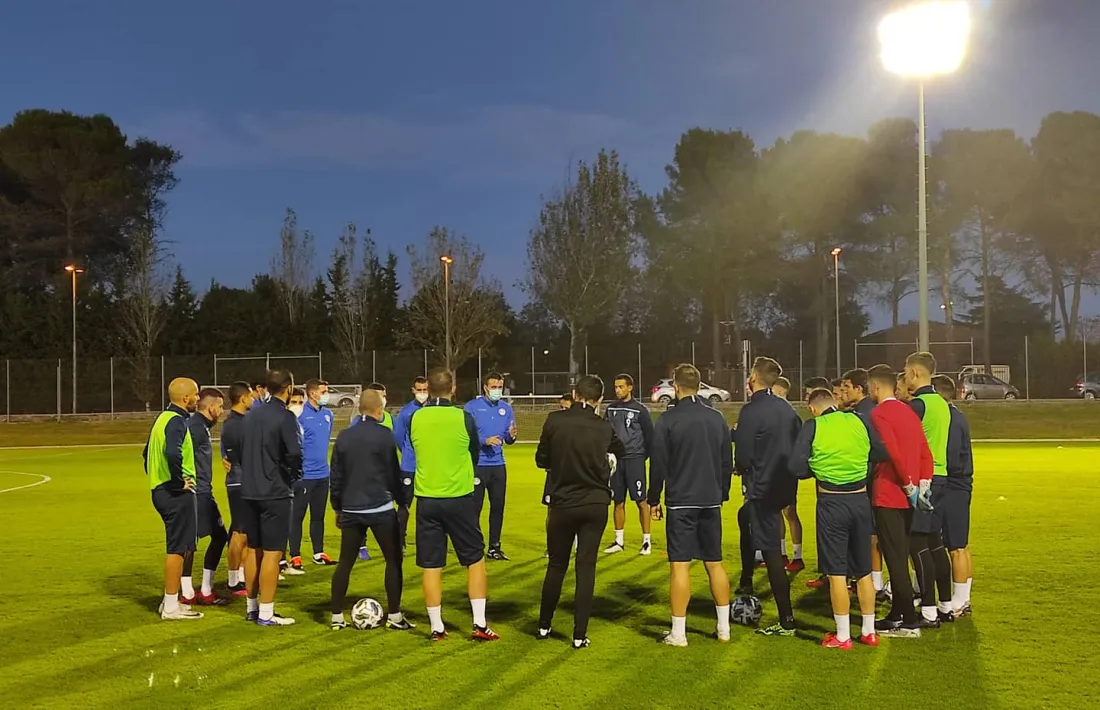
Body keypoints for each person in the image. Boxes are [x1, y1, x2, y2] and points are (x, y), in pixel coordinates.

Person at [789, 388, 885, 649]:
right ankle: (869, 631)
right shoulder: (859, 419)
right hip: (860, 500)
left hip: (831, 502)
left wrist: (819, 467)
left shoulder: (813, 426)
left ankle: (843, 636)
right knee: (863, 569)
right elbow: (881, 452)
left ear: (813, 408)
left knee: (837, 572)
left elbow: (795, 467)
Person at [535, 376, 624, 648]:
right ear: (599, 400)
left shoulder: (555, 420)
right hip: (595, 503)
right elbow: (620, 450)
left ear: (574, 394)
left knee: (557, 565)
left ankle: (544, 626)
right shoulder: (603, 427)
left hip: (563, 502)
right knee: (586, 567)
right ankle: (578, 634)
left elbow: (541, 459)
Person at [411, 368, 499, 642]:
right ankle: (479, 624)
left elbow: (414, 449)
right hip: (459, 499)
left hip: (427, 498)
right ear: (453, 388)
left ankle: (437, 627)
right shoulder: (464, 417)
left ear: (428, 389)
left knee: (431, 565)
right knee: (474, 560)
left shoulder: (416, 417)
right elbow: (473, 454)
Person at [648, 364, 733, 647]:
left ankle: (679, 633)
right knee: (715, 563)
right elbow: (726, 461)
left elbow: (658, 464)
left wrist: (653, 498)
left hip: (680, 502)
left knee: (680, 566)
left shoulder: (668, 419)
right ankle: (724, 629)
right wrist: (722, 492)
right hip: (710, 501)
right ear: (699, 384)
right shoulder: (716, 417)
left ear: (675, 385)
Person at [329, 389, 414, 631]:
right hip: (380, 508)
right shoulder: (384, 435)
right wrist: (402, 502)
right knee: (393, 560)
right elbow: (392, 473)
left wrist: (337, 507)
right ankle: (395, 617)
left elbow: (336, 475)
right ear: (380, 410)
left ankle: (336, 617)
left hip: (352, 508)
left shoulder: (344, 436)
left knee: (345, 562)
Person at [734, 357, 801, 637]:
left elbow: (744, 456)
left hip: (762, 487)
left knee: (772, 553)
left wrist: (740, 467)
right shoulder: (787, 409)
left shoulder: (752, 410)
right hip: (785, 485)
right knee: (745, 520)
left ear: (754, 378)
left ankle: (786, 620)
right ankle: (746, 580)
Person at [865, 365, 930, 636]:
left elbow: (892, 452)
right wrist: (923, 485)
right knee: (900, 553)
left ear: (876, 387)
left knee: (895, 558)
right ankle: (896, 615)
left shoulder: (878, 414)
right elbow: (925, 451)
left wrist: (907, 484)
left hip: (890, 493)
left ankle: (910, 622)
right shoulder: (908, 409)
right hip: (909, 495)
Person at [241, 369, 303, 627]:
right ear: (288, 388)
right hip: (275, 491)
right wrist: (293, 475)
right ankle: (266, 613)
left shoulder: (251, 413)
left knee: (253, 549)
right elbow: (294, 453)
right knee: (272, 552)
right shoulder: (285, 416)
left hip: (249, 489)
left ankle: (252, 607)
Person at [144, 377, 203, 620]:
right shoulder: (177, 421)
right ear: (186, 398)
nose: (198, 399)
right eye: (196, 395)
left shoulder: (162, 419)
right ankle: (170, 606)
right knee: (177, 549)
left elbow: (146, 453)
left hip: (161, 490)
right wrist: (178, 483)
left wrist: (158, 480)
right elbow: (172, 453)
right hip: (174, 494)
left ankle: (171, 601)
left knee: (179, 546)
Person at [904, 352, 954, 624]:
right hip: (942, 475)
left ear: (914, 373)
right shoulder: (942, 404)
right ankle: (946, 606)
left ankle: (928, 610)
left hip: (926, 479)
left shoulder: (918, 405)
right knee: (936, 543)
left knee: (918, 544)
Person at [182, 388, 230, 606]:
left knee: (216, 536)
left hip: (202, 491)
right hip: (196, 492)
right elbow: (175, 452)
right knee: (191, 541)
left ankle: (200, 589)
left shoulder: (201, 426)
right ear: (211, 407)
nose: (221, 411)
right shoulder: (195, 428)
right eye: (220, 406)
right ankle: (190, 592)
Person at [465, 372, 518, 561]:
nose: (497, 390)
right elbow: (466, 436)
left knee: (498, 507)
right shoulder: (472, 407)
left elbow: (509, 437)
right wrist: (484, 440)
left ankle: (495, 546)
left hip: (498, 465)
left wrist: (512, 435)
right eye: (494, 387)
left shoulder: (506, 409)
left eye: (500, 387)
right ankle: (473, 545)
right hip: (478, 465)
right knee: (475, 507)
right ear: (485, 388)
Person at [933, 374, 974, 617]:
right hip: (960, 485)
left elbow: (949, 458)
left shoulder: (948, 419)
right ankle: (964, 598)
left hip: (953, 486)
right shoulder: (956, 415)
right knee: (961, 546)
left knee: (955, 546)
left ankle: (959, 601)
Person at [842, 368, 884, 598]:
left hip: (867, 482)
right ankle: (871, 580)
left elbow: (874, 450)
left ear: (859, 389)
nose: (843, 392)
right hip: (870, 480)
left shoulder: (864, 413)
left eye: (847, 387)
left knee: (870, 534)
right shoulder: (864, 409)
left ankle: (872, 582)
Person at [287, 378, 336, 573]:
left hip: (323, 474)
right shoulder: (299, 415)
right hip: (304, 475)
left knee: (318, 516)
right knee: (297, 516)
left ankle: (318, 553)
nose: (326, 394)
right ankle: (295, 555)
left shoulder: (328, 414)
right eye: (323, 391)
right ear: (313, 393)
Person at [603, 374, 655, 556]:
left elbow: (650, 437)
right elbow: (604, 433)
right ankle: (619, 541)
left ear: (630, 388)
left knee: (641, 501)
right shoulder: (610, 409)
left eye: (621, 387)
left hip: (635, 460)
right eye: (616, 387)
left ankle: (646, 541)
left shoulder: (640, 410)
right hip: (616, 462)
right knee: (618, 501)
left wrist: (641, 456)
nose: (617, 390)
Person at [219, 381, 252, 596]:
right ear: (242, 398)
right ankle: (232, 580)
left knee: (246, 531)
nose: (253, 399)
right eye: (250, 395)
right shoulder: (237, 424)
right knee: (239, 532)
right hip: (240, 481)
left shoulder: (237, 421)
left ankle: (240, 576)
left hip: (244, 479)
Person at [392, 376, 430, 558]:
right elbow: (399, 438)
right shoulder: (406, 412)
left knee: (427, 506)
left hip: (429, 466)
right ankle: (400, 541)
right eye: (419, 390)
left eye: (425, 390)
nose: (422, 393)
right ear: (413, 390)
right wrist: (409, 453)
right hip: (409, 466)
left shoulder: (433, 410)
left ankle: (426, 542)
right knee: (404, 505)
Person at [769, 375, 804, 572]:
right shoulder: (776, 414)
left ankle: (797, 556)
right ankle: (781, 554)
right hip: (775, 470)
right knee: (777, 513)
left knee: (790, 512)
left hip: (786, 471)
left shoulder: (791, 417)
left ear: (781, 392)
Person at [542, 393, 574, 557]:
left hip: (571, 474)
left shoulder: (576, 428)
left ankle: (573, 544)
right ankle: (551, 546)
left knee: (573, 509)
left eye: (565, 407)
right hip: (553, 475)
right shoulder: (553, 424)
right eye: (560, 407)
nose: (562, 410)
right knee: (551, 511)